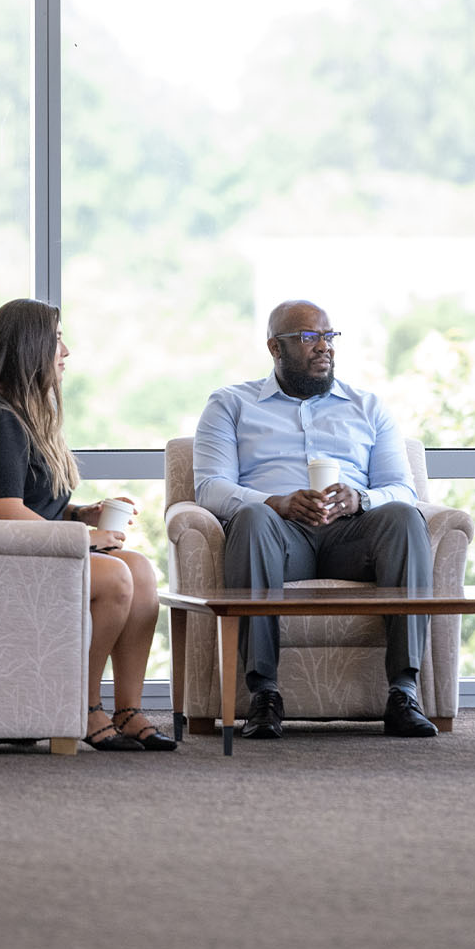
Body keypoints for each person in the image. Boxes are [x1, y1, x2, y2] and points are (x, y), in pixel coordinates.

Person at [192, 299, 438, 740]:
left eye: (328, 336)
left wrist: (360, 499)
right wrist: (277, 503)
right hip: (280, 538)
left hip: (352, 538)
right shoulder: (231, 403)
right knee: (251, 517)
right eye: (309, 337)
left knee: (403, 516)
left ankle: (403, 692)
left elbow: (403, 489)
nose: (324, 346)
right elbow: (209, 488)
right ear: (275, 347)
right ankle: (264, 694)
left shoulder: (368, 406)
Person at [0, 298, 174, 752]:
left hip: (25, 552)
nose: (65, 352)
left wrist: (80, 513)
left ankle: (127, 710)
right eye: (57, 340)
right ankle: (82, 706)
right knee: (116, 577)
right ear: (30, 348)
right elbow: (5, 513)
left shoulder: (25, 415)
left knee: (141, 571)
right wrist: (83, 538)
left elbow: (34, 505)